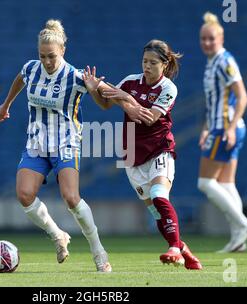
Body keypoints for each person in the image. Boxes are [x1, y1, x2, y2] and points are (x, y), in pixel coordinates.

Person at [0, 20, 149, 272]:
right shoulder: (31, 69)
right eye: (42, 55)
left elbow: (108, 99)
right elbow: (20, 79)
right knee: (24, 195)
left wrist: (130, 104)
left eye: (51, 56)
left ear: (63, 51)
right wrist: (6, 104)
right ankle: (58, 235)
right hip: (36, 143)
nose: (46, 61)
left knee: (71, 198)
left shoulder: (75, 76)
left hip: (66, 143)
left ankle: (98, 251)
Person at [82, 39, 202, 270]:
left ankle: (175, 250)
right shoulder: (130, 81)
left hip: (159, 149)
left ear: (165, 65)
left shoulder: (168, 88)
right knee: (156, 211)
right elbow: (106, 103)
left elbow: (148, 117)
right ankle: (182, 248)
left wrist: (125, 98)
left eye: (153, 62)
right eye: (144, 61)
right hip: (131, 154)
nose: (147, 66)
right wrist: (93, 89)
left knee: (159, 195)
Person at [197, 12, 247, 253]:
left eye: (211, 38)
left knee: (205, 183)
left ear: (221, 37)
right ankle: (238, 239)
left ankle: (243, 225)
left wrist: (230, 128)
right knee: (226, 183)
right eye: (203, 39)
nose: (207, 43)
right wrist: (204, 129)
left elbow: (243, 97)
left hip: (225, 128)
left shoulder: (225, 62)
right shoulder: (212, 63)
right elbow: (212, 103)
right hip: (218, 126)